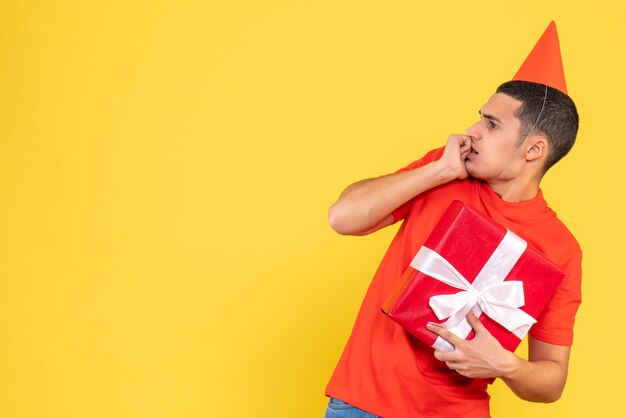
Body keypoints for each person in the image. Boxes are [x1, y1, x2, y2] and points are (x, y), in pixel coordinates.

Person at [323, 22, 581, 418]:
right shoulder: (442, 173)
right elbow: (343, 218)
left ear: (534, 149)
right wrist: (438, 171)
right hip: (362, 403)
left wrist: (505, 365)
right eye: (480, 118)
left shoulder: (559, 248)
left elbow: (552, 381)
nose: (472, 131)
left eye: (492, 124)